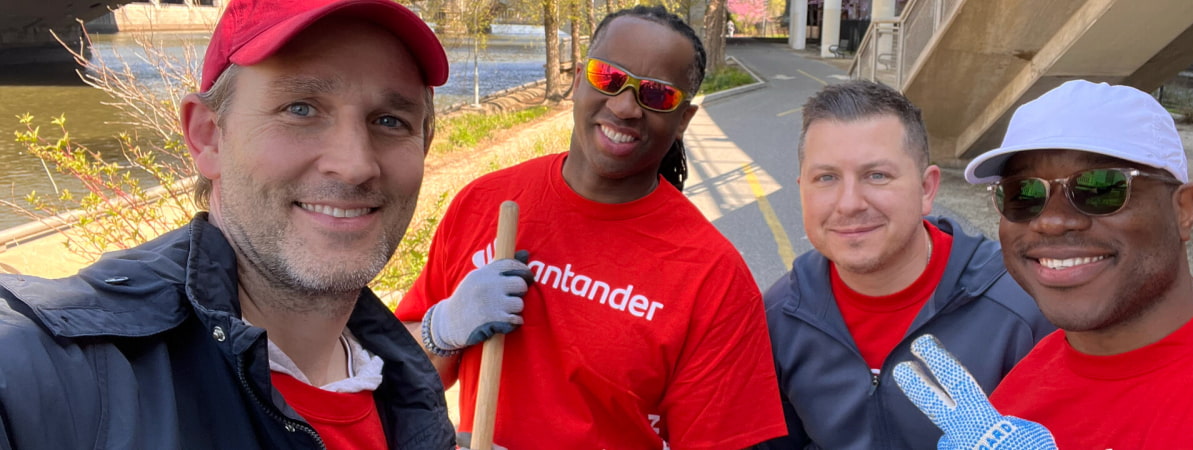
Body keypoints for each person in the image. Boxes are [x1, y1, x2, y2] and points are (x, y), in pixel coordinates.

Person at [0, 0, 457, 448]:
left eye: (389, 120)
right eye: (301, 108)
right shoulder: (63, 374)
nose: (355, 164)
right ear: (208, 137)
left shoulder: (402, 386)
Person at [394, 5, 787, 448]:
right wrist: (444, 327)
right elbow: (396, 381)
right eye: (609, 78)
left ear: (683, 120)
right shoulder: (484, 202)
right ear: (579, 78)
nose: (624, 107)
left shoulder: (714, 279)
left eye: (656, 95)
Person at [893, 79, 1193, 449]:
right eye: (1022, 193)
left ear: (1184, 209)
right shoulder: (1012, 406)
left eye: (1100, 188)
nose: (1051, 220)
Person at [756, 81, 1053, 449]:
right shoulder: (779, 316)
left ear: (927, 189)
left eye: (877, 175)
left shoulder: (1024, 307)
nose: (849, 203)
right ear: (802, 189)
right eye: (826, 178)